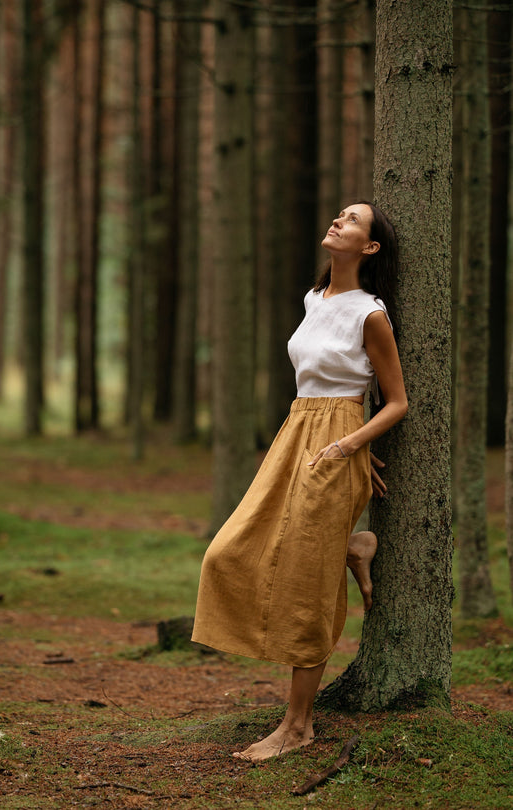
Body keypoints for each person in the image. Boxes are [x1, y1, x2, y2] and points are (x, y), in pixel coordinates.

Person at [191, 201, 408, 762]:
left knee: (305, 584)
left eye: (352, 220)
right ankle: (351, 546)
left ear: (370, 247)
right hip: (296, 430)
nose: (338, 221)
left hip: (336, 437)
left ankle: (298, 726)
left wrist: (349, 446)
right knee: (227, 551)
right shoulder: (316, 300)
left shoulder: (370, 313)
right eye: (338, 215)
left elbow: (398, 403)